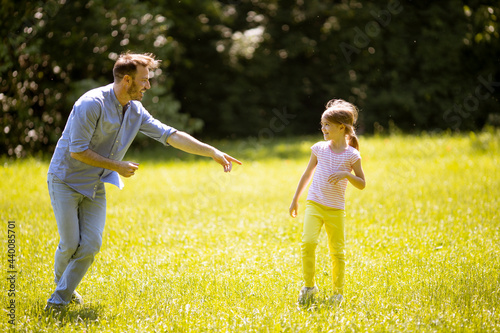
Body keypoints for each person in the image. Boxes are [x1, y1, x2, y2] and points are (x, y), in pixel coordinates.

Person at [45, 52, 241, 311]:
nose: (148, 85)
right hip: (65, 180)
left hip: (94, 184)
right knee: (70, 243)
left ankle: (58, 300)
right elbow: (77, 151)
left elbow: (170, 135)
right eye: (144, 80)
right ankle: (63, 290)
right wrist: (118, 166)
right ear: (127, 80)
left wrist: (212, 151)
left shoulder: (134, 110)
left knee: (90, 245)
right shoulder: (91, 104)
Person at [289, 99, 365, 306]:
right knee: (308, 242)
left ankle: (337, 293)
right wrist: (295, 200)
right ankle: (309, 287)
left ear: (342, 128)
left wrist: (346, 175)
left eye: (327, 125)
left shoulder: (352, 155)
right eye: (322, 125)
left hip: (336, 210)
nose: (323, 129)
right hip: (314, 203)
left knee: (337, 252)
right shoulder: (319, 149)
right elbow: (307, 175)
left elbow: (362, 183)